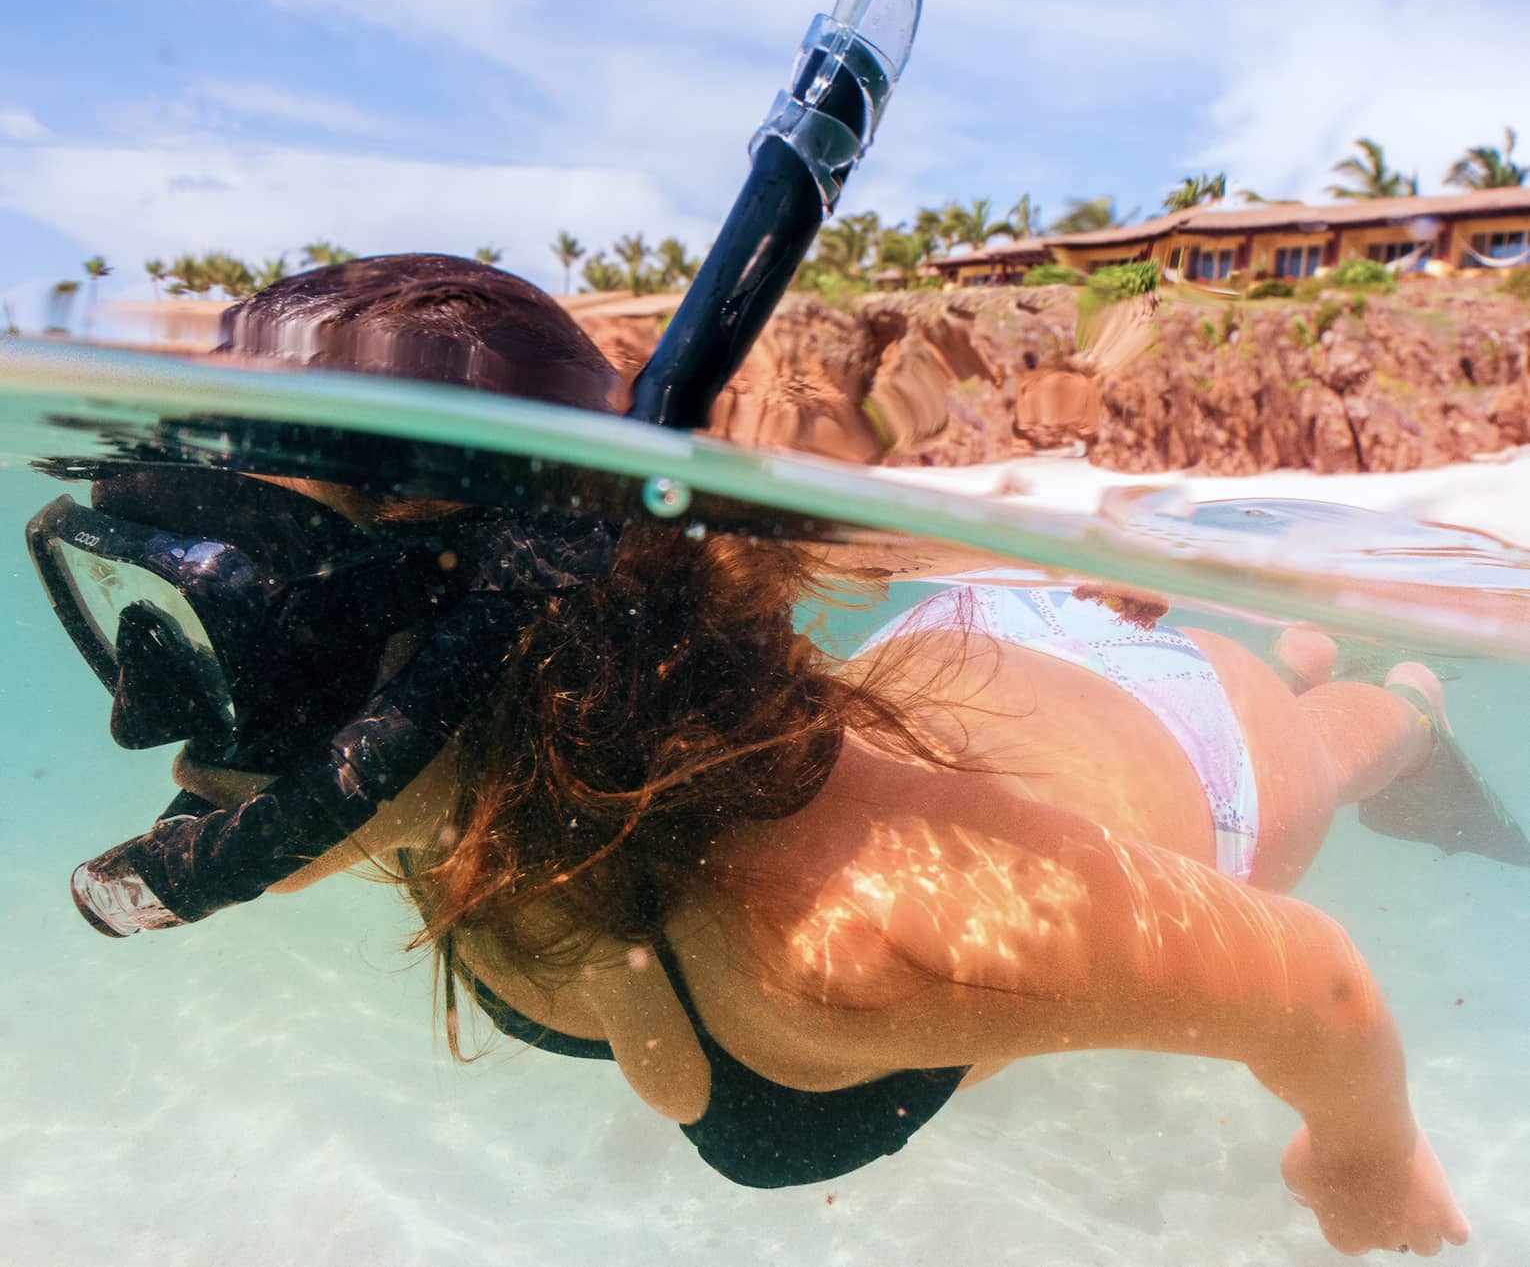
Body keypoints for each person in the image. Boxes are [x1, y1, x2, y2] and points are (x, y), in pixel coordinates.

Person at [39, 255, 1505, 1256]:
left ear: (495, 629)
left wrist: (1362, 1156)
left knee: (1337, 721)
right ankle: (1276, 644)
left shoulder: (848, 940)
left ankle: (1396, 694)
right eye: (156, 598)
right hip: (961, 641)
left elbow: (1314, 980)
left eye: (246, 618)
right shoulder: (466, 785)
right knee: (1258, 652)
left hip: (1183, 748)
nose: (155, 714)